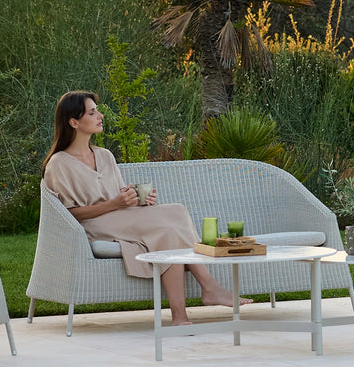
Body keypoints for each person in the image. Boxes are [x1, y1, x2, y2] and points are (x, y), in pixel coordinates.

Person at [41, 90, 248, 326]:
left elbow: (119, 196)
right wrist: (116, 204)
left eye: (97, 110)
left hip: (120, 217)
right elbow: (68, 215)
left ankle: (186, 312)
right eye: (92, 112)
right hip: (93, 226)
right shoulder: (58, 164)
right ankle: (205, 291)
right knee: (169, 228)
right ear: (74, 122)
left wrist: (138, 200)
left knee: (176, 212)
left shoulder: (105, 156)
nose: (100, 115)